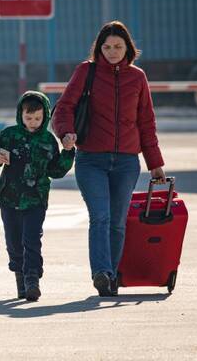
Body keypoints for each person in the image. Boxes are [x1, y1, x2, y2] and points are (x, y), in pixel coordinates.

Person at [52, 20, 165, 297]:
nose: (112, 51)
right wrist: (66, 133)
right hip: (91, 159)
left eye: (117, 46)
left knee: (117, 221)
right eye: (106, 47)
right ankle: (101, 272)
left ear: (128, 47)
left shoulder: (137, 77)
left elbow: (146, 122)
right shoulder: (86, 72)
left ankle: (111, 277)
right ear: (98, 48)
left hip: (127, 162)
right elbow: (64, 107)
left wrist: (155, 163)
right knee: (100, 217)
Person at [0, 91, 75, 301]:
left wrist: (68, 152)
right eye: (28, 118)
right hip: (9, 199)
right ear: (20, 115)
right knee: (14, 243)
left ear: (45, 116)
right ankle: (20, 277)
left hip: (36, 199)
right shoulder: (9, 135)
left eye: (37, 118)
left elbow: (56, 171)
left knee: (32, 240)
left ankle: (32, 279)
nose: (33, 122)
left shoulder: (48, 140)